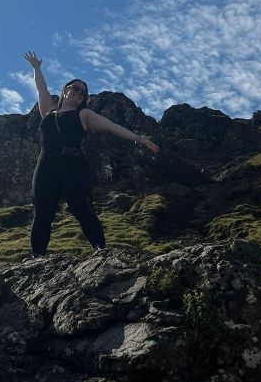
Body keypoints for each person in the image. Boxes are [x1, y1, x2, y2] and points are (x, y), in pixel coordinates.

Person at [24, 51, 159, 256]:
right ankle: (37, 257)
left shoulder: (84, 114)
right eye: (75, 89)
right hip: (46, 166)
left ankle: (100, 251)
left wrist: (139, 138)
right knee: (42, 212)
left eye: (83, 93)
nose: (79, 94)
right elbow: (41, 88)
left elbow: (112, 126)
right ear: (65, 90)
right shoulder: (48, 112)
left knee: (83, 209)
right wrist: (37, 68)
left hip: (73, 166)